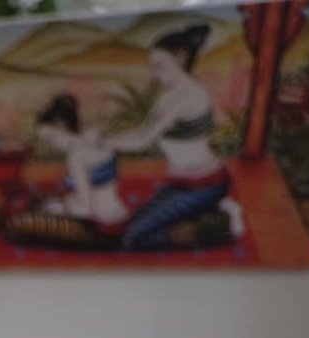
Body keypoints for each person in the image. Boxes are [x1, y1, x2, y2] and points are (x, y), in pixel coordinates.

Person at [105, 24, 246, 250]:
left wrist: (105, 142)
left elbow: (144, 139)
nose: (154, 72)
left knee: (132, 240)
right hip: (180, 182)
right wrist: (108, 138)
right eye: (153, 67)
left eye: (159, 65)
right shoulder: (169, 96)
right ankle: (214, 208)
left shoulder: (188, 95)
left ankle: (219, 226)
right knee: (128, 226)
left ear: (180, 58)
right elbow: (143, 130)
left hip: (204, 183)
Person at [34, 94, 129, 230]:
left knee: (42, 211)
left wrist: (59, 208)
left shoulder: (75, 157)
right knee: (52, 202)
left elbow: (86, 209)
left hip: (103, 218)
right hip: (117, 209)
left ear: (62, 126)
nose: (51, 145)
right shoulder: (92, 135)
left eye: (50, 138)